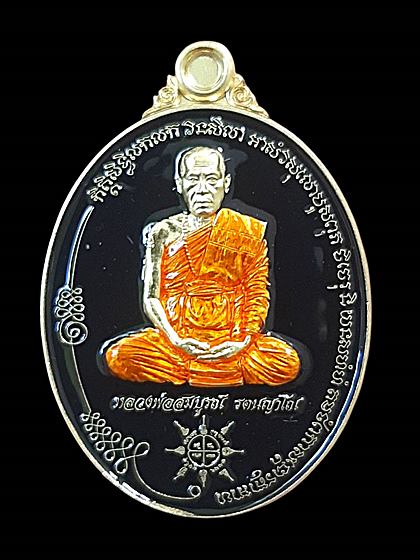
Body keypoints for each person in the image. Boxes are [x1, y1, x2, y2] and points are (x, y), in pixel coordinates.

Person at [104, 146, 300, 387]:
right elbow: (151, 298)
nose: (203, 188)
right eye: (193, 179)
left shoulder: (246, 231)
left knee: (286, 361)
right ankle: (205, 370)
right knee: (119, 357)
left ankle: (199, 371)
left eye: (212, 179)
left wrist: (243, 341)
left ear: (226, 183)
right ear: (180, 184)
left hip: (231, 339)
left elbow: (256, 292)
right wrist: (175, 340)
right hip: (177, 342)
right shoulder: (162, 232)